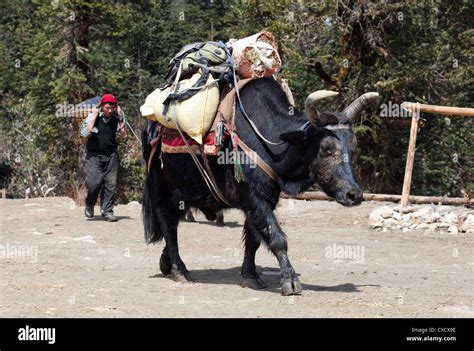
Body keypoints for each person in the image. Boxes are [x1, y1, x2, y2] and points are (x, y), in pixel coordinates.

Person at [80, 94, 128, 221]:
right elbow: (84, 133)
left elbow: (124, 136)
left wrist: (122, 120)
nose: (109, 110)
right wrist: (94, 116)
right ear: (102, 106)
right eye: (107, 108)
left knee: (110, 184)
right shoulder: (93, 116)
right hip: (94, 155)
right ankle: (90, 204)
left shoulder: (117, 118)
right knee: (95, 182)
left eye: (112, 108)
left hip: (111, 154)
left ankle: (107, 211)